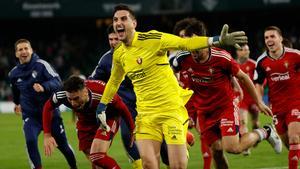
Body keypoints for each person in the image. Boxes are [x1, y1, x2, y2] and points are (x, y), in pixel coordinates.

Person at [95, 4, 248, 169]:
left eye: (124, 18)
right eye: (115, 19)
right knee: (148, 164)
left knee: (177, 166)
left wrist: (216, 40)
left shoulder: (153, 39)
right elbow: (114, 81)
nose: (118, 22)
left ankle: (184, 143)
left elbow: (184, 44)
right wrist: (101, 106)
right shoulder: (119, 54)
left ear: (134, 23)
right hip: (146, 115)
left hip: (170, 112)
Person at [169, 19, 283, 167]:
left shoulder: (221, 57)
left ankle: (265, 132)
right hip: (204, 111)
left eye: (197, 49)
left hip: (225, 108)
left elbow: (243, 77)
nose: (194, 54)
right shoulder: (182, 58)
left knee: (232, 148)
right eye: (191, 49)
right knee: (216, 151)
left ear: (204, 42)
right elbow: (171, 73)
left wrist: (259, 102)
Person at [8, 39, 77, 169]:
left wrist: (44, 86)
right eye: (20, 49)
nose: (24, 51)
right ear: (16, 54)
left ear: (31, 50)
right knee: (30, 141)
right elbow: (15, 91)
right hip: (31, 116)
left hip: (50, 114)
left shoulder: (42, 65)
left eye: (26, 48)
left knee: (63, 146)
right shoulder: (13, 74)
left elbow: (58, 82)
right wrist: (17, 103)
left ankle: (74, 167)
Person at [43, 76, 135, 169]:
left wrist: (131, 129)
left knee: (97, 156)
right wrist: (47, 134)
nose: (73, 103)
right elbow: (48, 106)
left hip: (108, 118)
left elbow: (122, 107)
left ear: (85, 92)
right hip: (85, 121)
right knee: (96, 163)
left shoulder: (102, 92)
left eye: (76, 99)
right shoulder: (62, 94)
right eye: (70, 99)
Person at [89, 24, 143, 169]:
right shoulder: (106, 59)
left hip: (146, 103)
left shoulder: (138, 52)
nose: (113, 42)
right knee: (127, 138)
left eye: (115, 39)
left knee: (160, 142)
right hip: (125, 107)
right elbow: (92, 80)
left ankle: (184, 137)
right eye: (110, 39)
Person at [254, 26, 300, 169]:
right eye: (266, 37)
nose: (269, 40)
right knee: (288, 143)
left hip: (296, 102)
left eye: (272, 36)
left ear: (280, 38)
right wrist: (260, 102)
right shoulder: (261, 62)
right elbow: (258, 84)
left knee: (294, 138)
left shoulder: (296, 55)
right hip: (277, 107)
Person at [235, 44, 260, 155]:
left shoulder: (254, 65)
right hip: (241, 99)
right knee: (242, 122)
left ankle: (257, 134)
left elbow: (260, 83)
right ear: (237, 52)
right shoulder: (233, 65)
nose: (246, 52)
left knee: (255, 123)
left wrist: (259, 99)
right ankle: (246, 148)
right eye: (243, 50)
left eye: (247, 49)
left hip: (253, 98)